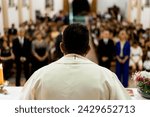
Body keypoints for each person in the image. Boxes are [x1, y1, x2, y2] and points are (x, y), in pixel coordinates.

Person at [20, 24, 130, 100]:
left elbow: (22, 107)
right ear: (88, 49)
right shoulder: (107, 77)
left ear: (62, 47)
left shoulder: (39, 75)